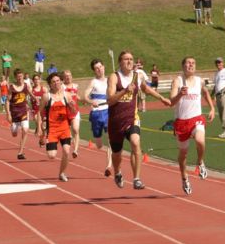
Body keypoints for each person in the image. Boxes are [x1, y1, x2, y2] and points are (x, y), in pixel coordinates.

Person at [106, 50, 171, 190]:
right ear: (120, 62)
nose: (129, 61)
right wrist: (124, 91)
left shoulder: (137, 76)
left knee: (136, 142)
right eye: (126, 59)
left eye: (131, 59)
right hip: (116, 122)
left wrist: (161, 98)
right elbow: (110, 100)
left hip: (131, 118)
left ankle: (136, 179)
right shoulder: (114, 77)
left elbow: (145, 88)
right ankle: (117, 173)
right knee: (117, 154)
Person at [169, 56, 216, 195]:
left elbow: (206, 92)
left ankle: (200, 162)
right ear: (183, 66)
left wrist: (212, 108)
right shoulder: (177, 81)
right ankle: (184, 178)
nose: (191, 65)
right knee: (183, 154)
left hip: (196, 118)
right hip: (181, 122)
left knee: (200, 140)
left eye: (193, 63)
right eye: (188, 63)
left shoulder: (199, 81)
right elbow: (171, 101)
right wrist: (179, 95)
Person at [41, 72, 75, 181]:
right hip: (52, 130)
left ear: (61, 82)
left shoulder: (67, 95)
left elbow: (73, 112)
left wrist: (72, 106)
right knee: (51, 155)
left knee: (66, 151)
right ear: (50, 84)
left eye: (57, 81)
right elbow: (40, 111)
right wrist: (41, 124)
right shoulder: (47, 97)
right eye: (53, 82)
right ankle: (47, 142)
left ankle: (62, 173)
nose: (56, 83)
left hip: (64, 128)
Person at [84, 58, 113, 176]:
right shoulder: (93, 82)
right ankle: (98, 140)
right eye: (96, 68)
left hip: (107, 111)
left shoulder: (110, 81)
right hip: (96, 113)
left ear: (104, 67)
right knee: (99, 145)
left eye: (100, 67)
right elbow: (85, 96)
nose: (99, 69)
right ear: (94, 71)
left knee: (110, 139)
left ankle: (109, 166)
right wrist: (91, 101)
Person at [6, 68, 32, 160]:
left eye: (21, 76)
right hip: (14, 113)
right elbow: (8, 101)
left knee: (25, 130)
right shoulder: (12, 87)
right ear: (15, 77)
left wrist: (35, 99)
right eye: (18, 76)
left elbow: (30, 93)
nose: (20, 78)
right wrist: (8, 114)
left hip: (24, 111)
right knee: (14, 134)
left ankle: (20, 152)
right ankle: (13, 129)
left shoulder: (26, 85)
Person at [61, 69, 81, 158]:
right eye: (66, 76)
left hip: (74, 111)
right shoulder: (61, 87)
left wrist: (84, 100)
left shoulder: (76, 86)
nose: (68, 77)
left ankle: (76, 150)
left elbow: (78, 96)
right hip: (64, 113)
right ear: (63, 78)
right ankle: (66, 148)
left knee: (76, 130)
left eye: (69, 75)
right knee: (66, 134)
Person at [30, 73, 46, 146]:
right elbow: (26, 96)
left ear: (40, 80)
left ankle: (41, 137)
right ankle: (40, 137)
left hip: (43, 110)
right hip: (35, 110)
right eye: (35, 79)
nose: (36, 81)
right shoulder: (31, 89)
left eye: (37, 79)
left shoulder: (44, 89)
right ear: (33, 81)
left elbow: (48, 98)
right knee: (38, 122)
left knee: (43, 126)